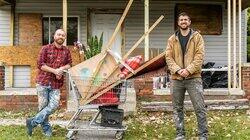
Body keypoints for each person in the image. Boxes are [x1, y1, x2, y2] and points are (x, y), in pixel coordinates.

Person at [165, 12, 208, 140]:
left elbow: (199, 57)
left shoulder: (197, 37)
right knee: (177, 108)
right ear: (178, 23)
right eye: (181, 20)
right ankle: (180, 134)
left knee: (199, 107)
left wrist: (188, 70)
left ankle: (203, 135)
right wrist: (178, 70)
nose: (183, 21)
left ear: (189, 22)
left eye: (185, 20)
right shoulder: (172, 39)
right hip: (176, 79)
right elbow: (168, 57)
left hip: (193, 78)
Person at [26, 29, 72, 137]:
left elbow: (69, 64)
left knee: (54, 105)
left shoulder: (66, 51)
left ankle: (32, 122)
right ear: (54, 36)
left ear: (65, 38)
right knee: (43, 107)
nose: (61, 36)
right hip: (43, 82)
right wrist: (55, 71)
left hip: (56, 83)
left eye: (63, 35)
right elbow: (40, 65)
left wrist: (61, 69)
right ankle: (46, 129)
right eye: (59, 34)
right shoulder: (45, 48)